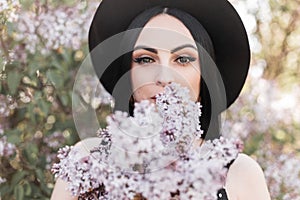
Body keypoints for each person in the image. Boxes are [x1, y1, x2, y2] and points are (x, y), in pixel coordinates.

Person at [51, 0, 271, 199]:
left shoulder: (241, 173)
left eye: (183, 59)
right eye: (145, 59)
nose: (164, 77)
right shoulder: (86, 162)